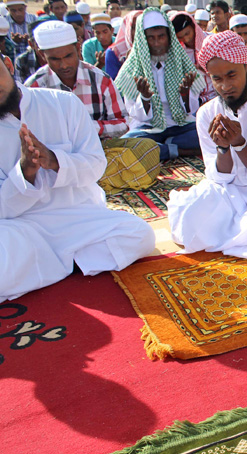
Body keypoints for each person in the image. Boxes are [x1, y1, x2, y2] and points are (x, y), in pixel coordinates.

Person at [0, 52, 156, 302]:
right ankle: (67, 260)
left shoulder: (62, 103)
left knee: (140, 235)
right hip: (24, 226)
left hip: (79, 218)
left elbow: (96, 166)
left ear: (8, 65)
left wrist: (52, 159)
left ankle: (48, 264)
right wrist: (26, 172)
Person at [167, 31, 247, 259]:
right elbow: (218, 176)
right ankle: (236, 236)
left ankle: (226, 235)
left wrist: (239, 143)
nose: (225, 86)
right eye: (217, 79)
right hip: (227, 193)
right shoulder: (206, 113)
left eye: (231, 75)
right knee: (185, 219)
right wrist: (223, 148)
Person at [25, 20, 161, 195]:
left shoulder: (100, 79)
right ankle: (84, 180)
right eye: (55, 59)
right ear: (43, 55)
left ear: (78, 48)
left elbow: (123, 123)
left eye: (68, 56)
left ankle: (80, 181)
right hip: (54, 159)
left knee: (147, 147)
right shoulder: (34, 87)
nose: (64, 65)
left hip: (97, 153)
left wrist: (88, 127)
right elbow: (27, 136)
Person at [116, 9, 205, 161]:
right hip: (148, 128)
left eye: (161, 37)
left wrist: (185, 95)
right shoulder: (131, 69)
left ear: (169, 37)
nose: (157, 43)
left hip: (179, 126)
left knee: (207, 134)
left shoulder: (182, 62)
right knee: (125, 144)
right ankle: (176, 149)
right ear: (144, 39)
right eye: (151, 38)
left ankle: (160, 147)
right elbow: (134, 113)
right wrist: (144, 98)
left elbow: (192, 110)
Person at [171, 11, 217, 103]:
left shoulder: (213, 41)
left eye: (187, 33)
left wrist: (205, 68)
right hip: (195, 101)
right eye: (180, 37)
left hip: (217, 96)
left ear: (193, 27)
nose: (186, 39)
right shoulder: (178, 52)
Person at [104, 10, 142, 80]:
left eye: (141, 26)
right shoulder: (114, 52)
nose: (138, 30)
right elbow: (114, 83)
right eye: (133, 27)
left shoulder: (153, 47)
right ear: (127, 29)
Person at [13, 16, 49, 83]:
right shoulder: (22, 61)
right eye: (40, 42)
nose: (45, 46)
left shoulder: (63, 56)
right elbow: (22, 88)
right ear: (31, 44)